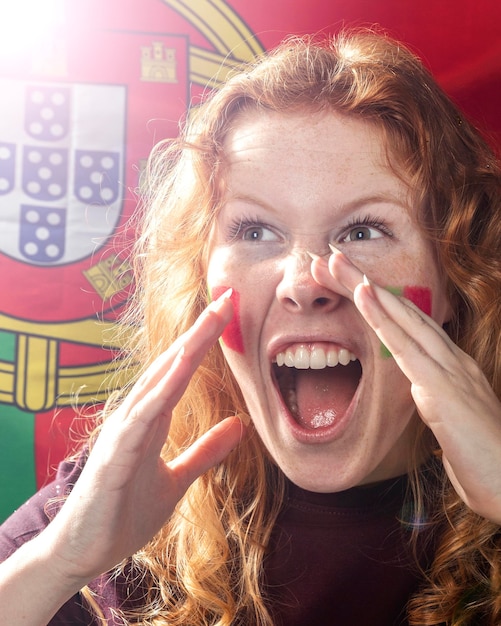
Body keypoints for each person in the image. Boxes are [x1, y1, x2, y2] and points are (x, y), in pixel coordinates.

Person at [1, 28, 501, 626]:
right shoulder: (122, 490)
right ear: (201, 281)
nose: (304, 283)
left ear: (455, 276)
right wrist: (60, 562)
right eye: (256, 232)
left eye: (363, 231)